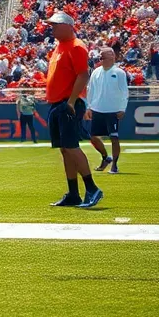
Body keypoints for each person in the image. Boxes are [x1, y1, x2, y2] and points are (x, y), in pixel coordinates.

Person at [44, 12, 103, 208]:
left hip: (67, 103)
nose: (52, 29)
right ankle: (73, 193)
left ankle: (92, 188)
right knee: (65, 149)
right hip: (57, 103)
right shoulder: (59, 47)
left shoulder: (76, 46)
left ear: (68, 26)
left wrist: (71, 101)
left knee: (71, 147)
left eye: (56, 25)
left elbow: (83, 75)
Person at [85, 47, 129, 175]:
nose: (100, 60)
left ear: (112, 57)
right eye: (100, 57)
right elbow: (90, 90)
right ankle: (105, 157)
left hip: (113, 110)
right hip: (97, 109)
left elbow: (124, 91)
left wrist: (122, 108)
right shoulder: (96, 72)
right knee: (93, 137)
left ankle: (114, 165)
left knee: (114, 137)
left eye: (102, 57)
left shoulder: (119, 73)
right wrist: (89, 106)